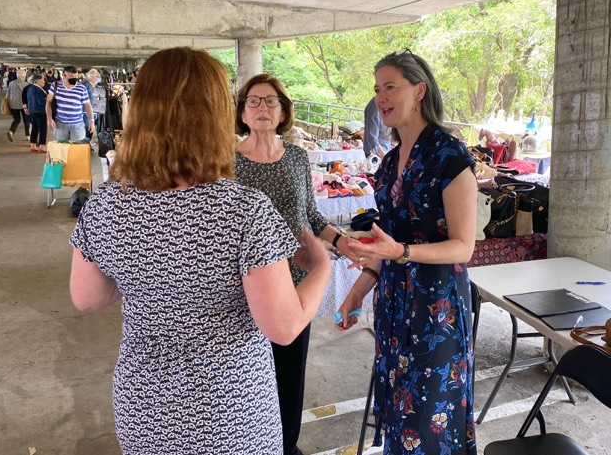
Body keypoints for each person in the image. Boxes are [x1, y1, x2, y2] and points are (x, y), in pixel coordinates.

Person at [69, 46, 332, 455]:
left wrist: (148, 273)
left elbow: (87, 298)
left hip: (145, 409)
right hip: (230, 414)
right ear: (215, 116)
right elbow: (283, 326)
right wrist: (321, 267)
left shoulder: (105, 203)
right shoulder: (244, 210)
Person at [336, 50, 477, 455]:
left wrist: (401, 251)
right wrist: (358, 291)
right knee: (398, 410)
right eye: (378, 89)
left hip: (436, 309)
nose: (381, 97)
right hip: (395, 303)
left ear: (419, 90)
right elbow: (388, 243)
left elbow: (463, 246)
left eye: (391, 87)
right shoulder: (392, 159)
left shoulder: (449, 156)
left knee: (431, 416)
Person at [234, 73, 357, 455]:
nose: (263, 108)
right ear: (241, 110)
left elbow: (311, 217)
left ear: (284, 110)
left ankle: (286, 444)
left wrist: (342, 242)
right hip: (245, 285)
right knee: (247, 374)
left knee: (290, 371)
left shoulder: (298, 158)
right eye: (254, 101)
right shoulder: (225, 162)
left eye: (271, 101)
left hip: (296, 282)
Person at [45, 65, 95, 141]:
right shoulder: (55, 86)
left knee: (77, 148)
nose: (74, 78)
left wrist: (92, 121)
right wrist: (49, 119)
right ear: (64, 76)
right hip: (60, 123)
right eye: (71, 76)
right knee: (61, 148)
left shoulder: (81, 88)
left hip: (77, 124)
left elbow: (88, 105)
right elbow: (48, 103)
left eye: (76, 76)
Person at [5, 69, 30, 141]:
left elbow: (8, 94)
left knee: (17, 119)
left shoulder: (11, 83)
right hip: (23, 105)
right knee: (26, 120)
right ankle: (27, 136)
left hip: (13, 104)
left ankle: (11, 131)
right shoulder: (26, 84)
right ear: (23, 76)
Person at [26, 74, 48, 153]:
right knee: (42, 129)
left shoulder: (30, 88)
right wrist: (47, 98)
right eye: (43, 80)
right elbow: (41, 102)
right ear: (38, 81)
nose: (44, 82)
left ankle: (33, 145)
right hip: (40, 111)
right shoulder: (39, 90)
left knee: (34, 128)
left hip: (32, 110)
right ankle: (42, 146)